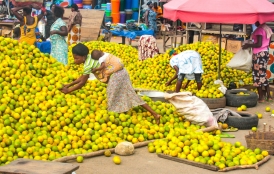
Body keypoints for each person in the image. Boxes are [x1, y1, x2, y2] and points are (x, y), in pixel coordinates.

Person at [60, 43, 161, 124]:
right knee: (130, 94)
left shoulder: (88, 65)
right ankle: (155, 114)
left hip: (116, 76)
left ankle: (114, 120)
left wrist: (68, 91)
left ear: (83, 57)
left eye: (76, 58)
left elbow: (82, 82)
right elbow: (82, 77)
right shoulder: (90, 59)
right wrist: (68, 85)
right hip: (122, 73)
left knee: (112, 96)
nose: (75, 60)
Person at [242, 21, 273, 102]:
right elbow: (268, 42)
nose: (254, 23)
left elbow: (259, 44)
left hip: (259, 54)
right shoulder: (268, 29)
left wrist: (248, 45)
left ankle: (261, 97)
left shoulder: (259, 30)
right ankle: (269, 96)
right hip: (265, 53)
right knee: (263, 74)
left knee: (257, 75)